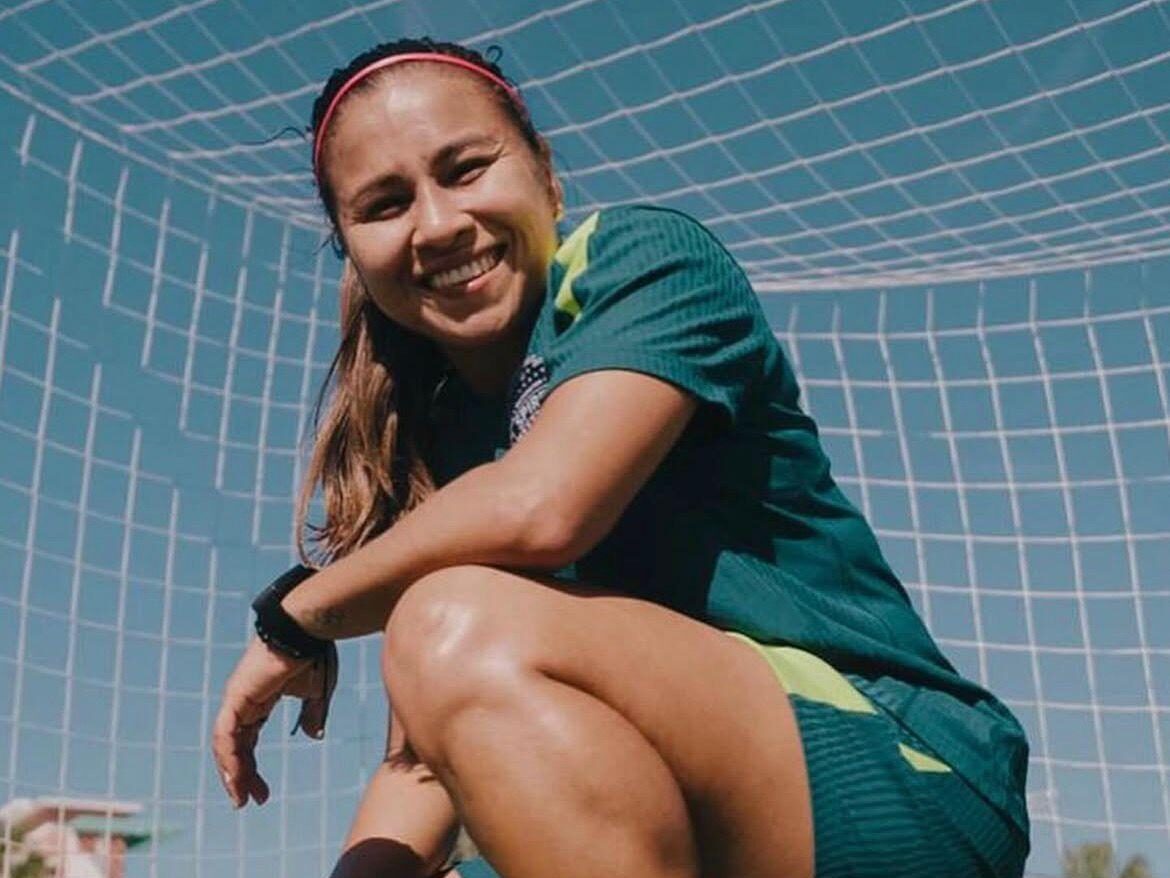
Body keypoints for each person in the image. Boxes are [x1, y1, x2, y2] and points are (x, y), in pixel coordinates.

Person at [211, 37, 1030, 878]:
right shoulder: (437, 438)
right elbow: (419, 761)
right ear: (349, 249)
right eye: (384, 205)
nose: (438, 222)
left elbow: (545, 508)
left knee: (443, 621)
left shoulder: (637, 262)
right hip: (674, 797)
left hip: (892, 767)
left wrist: (295, 616)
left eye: (464, 169)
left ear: (547, 174)